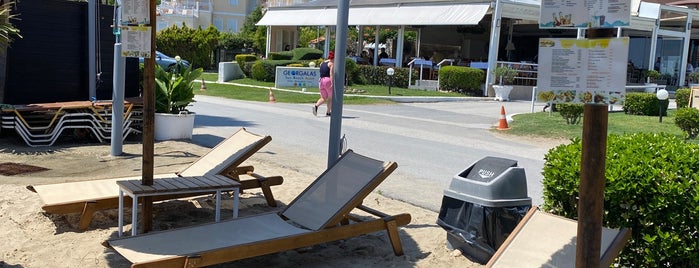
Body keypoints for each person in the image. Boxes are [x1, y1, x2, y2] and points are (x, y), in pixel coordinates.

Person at [314, 51, 334, 116]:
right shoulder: (331, 64)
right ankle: (328, 112)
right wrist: (332, 82)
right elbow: (331, 73)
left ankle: (316, 106)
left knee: (323, 97)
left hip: (321, 80)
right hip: (327, 80)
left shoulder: (322, 63)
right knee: (330, 98)